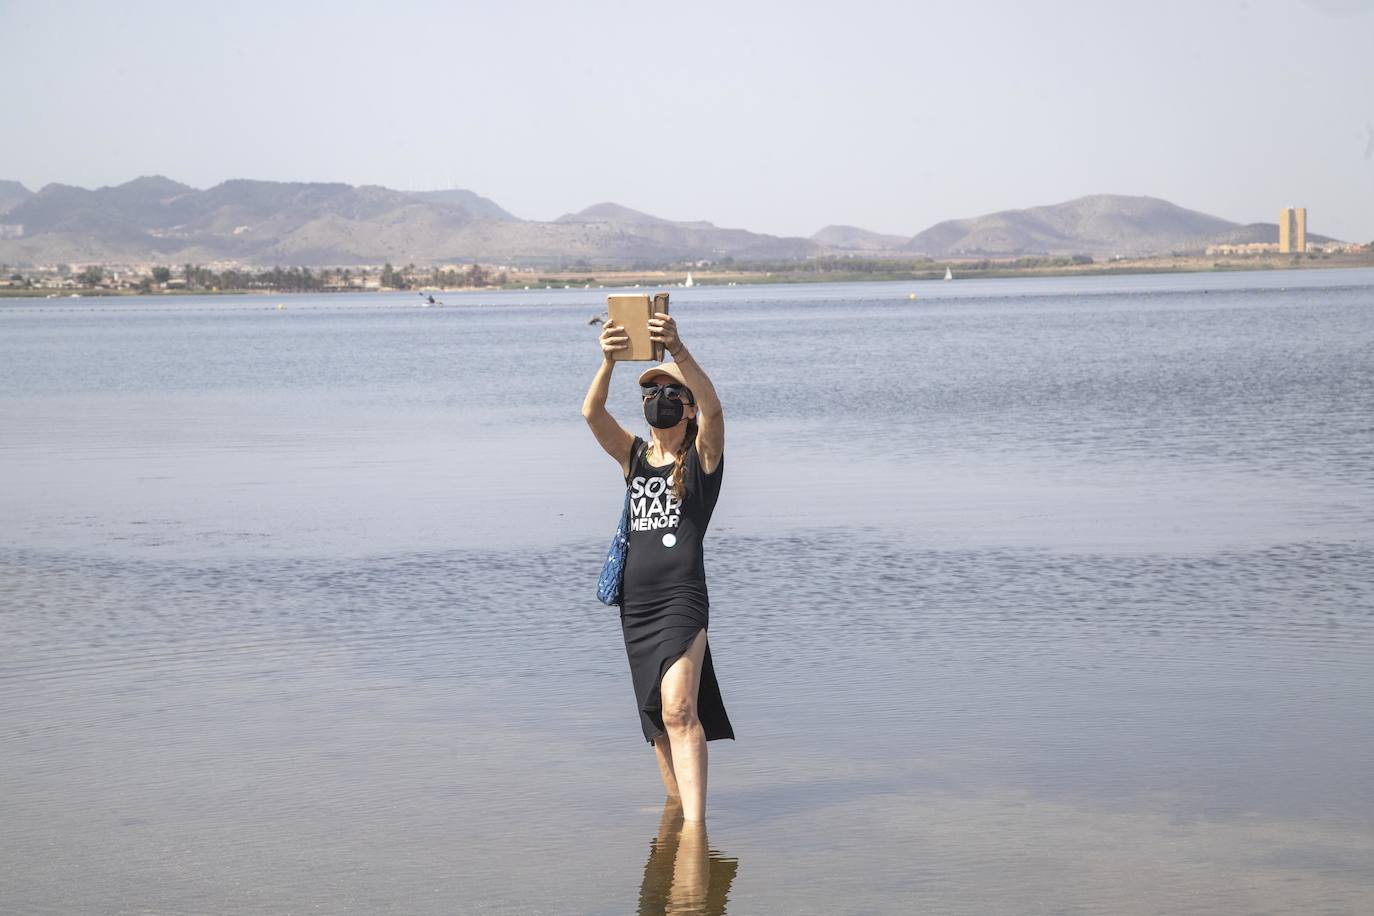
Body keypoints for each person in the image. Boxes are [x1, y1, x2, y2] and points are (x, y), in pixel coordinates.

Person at [582, 309, 735, 822]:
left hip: (681, 601)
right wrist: (607, 360)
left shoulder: (701, 462)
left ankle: (696, 831)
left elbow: (715, 412)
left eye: (671, 394)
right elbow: (592, 413)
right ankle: (676, 811)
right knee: (655, 719)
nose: (658, 401)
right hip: (637, 606)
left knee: (679, 709)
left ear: (687, 409)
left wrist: (679, 351)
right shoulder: (634, 459)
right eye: (649, 393)